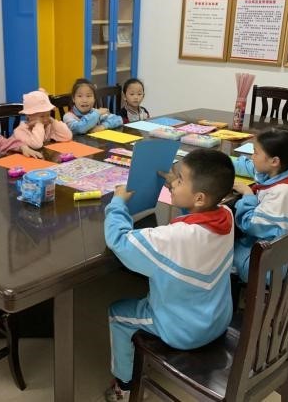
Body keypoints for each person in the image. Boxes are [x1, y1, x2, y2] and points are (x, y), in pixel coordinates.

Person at [103, 149, 235, 401]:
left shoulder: (173, 238)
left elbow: (119, 241)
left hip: (184, 330)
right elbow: (195, 218)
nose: (173, 183)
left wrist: (117, 203)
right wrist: (180, 189)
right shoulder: (225, 216)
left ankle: (124, 386)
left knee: (118, 313)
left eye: (179, 180)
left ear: (199, 197)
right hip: (218, 319)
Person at [232, 127, 288, 283]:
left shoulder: (280, 193)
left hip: (268, 265)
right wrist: (226, 163)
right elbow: (253, 168)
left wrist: (248, 195)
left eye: (255, 153)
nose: (252, 156)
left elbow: (248, 224)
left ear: (274, 161)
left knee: (217, 252)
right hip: (270, 250)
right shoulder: (283, 172)